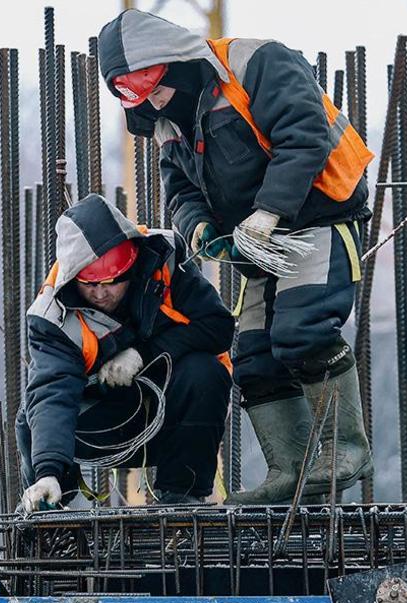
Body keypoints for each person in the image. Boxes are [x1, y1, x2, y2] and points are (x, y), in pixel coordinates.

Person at [97, 9, 375, 503]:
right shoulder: (165, 121)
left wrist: (269, 211)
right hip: (259, 243)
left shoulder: (256, 64)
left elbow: (304, 134)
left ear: (172, 63)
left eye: (153, 85)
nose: (152, 100)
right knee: (253, 357)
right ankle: (289, 470)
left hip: (319, 216)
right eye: (136, 93)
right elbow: (179, 188)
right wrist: (201, 227)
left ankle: (344, 449)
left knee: (302, 330)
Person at [17, 194, 234, 512]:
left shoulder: (166, 263)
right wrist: (47, 470)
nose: (102, 293)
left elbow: (218, 327)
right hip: (104, 423)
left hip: (177, 416)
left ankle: (182, 496)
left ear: (131, 265)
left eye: (112, 281)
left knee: (206, 371)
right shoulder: (52, 317)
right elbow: (53, 394)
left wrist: (145, 354)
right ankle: (51, 497)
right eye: (90, 285)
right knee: (31, 416)